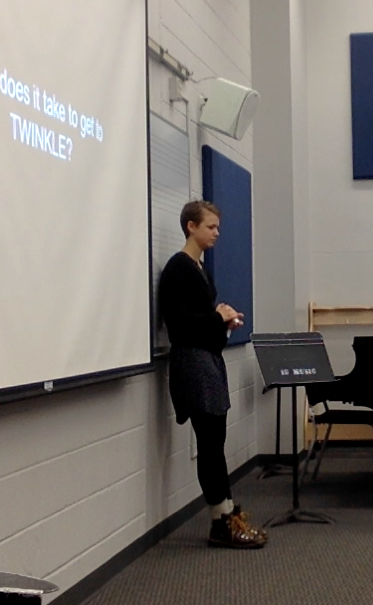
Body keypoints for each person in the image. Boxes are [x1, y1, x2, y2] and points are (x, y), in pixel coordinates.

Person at [158, 200, 266, 549]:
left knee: (215, 440)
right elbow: (180, 324)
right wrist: (217, 318)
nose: (217, 232)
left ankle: (226, 514)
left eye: (217, 227)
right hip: (193, 363)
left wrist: (225, 322)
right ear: (191, 226)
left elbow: (203, 323)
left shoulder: (200, 268)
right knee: (209, 443)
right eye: (210, 227)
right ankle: (221, 520)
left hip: (207, 360)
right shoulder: (178, 268)